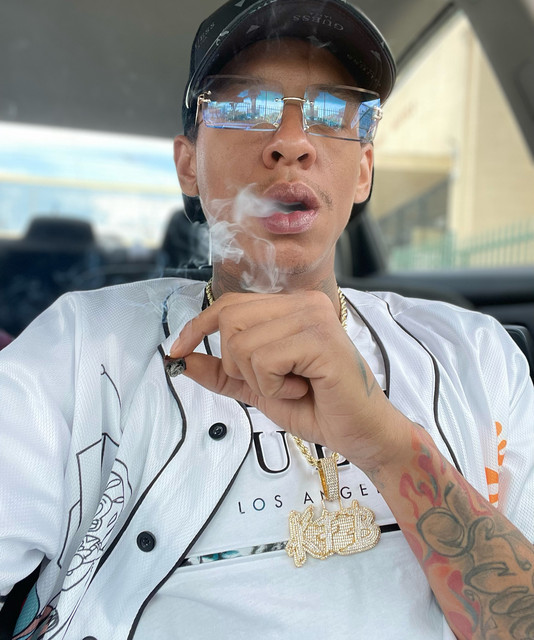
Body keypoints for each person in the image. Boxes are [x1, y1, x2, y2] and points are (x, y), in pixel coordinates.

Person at [1, 1, 533, 638]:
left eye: (332, 112)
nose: (292, 142)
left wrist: (387, 444)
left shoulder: (477, 355)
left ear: (364, 171)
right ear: (188, 165)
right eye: (244, 107)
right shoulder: (78, 352)